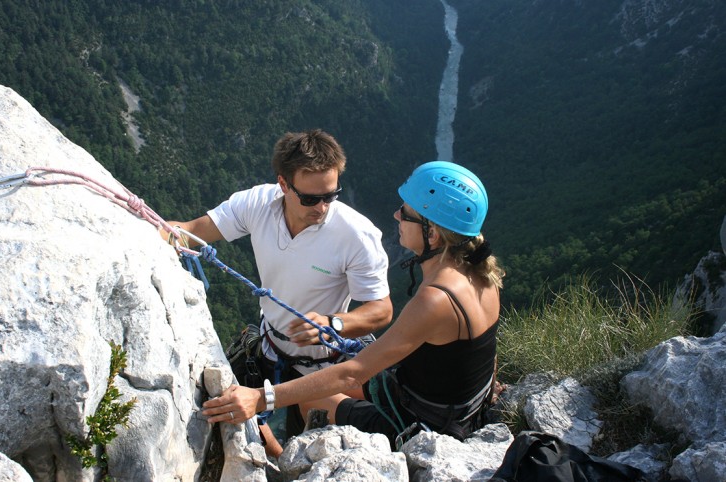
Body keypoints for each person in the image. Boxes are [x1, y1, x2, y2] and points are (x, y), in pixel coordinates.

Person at [202, 160, 505, 447]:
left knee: (309, 398)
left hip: (424, 424)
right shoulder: (481, 275)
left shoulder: (435, 299)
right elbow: (481, 355)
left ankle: (281, 465)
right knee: (320, 383)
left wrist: (259, 398)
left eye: (407, 212)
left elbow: (353, 372)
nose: (397, 215)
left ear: (433, 234)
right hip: (452, 407)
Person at [162, 129, 393, 455]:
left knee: (308, 449)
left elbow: (381, 309)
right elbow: (192, 232)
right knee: (228, 417)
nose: (323, 207)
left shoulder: (356, 235)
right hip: (272, 346)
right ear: (283, 184)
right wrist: (146, 228)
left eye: (331, 195)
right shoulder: (258, 204)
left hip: (324, 362)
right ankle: (274, 458)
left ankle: (285, 463)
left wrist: (334, 324)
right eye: (311, 198)